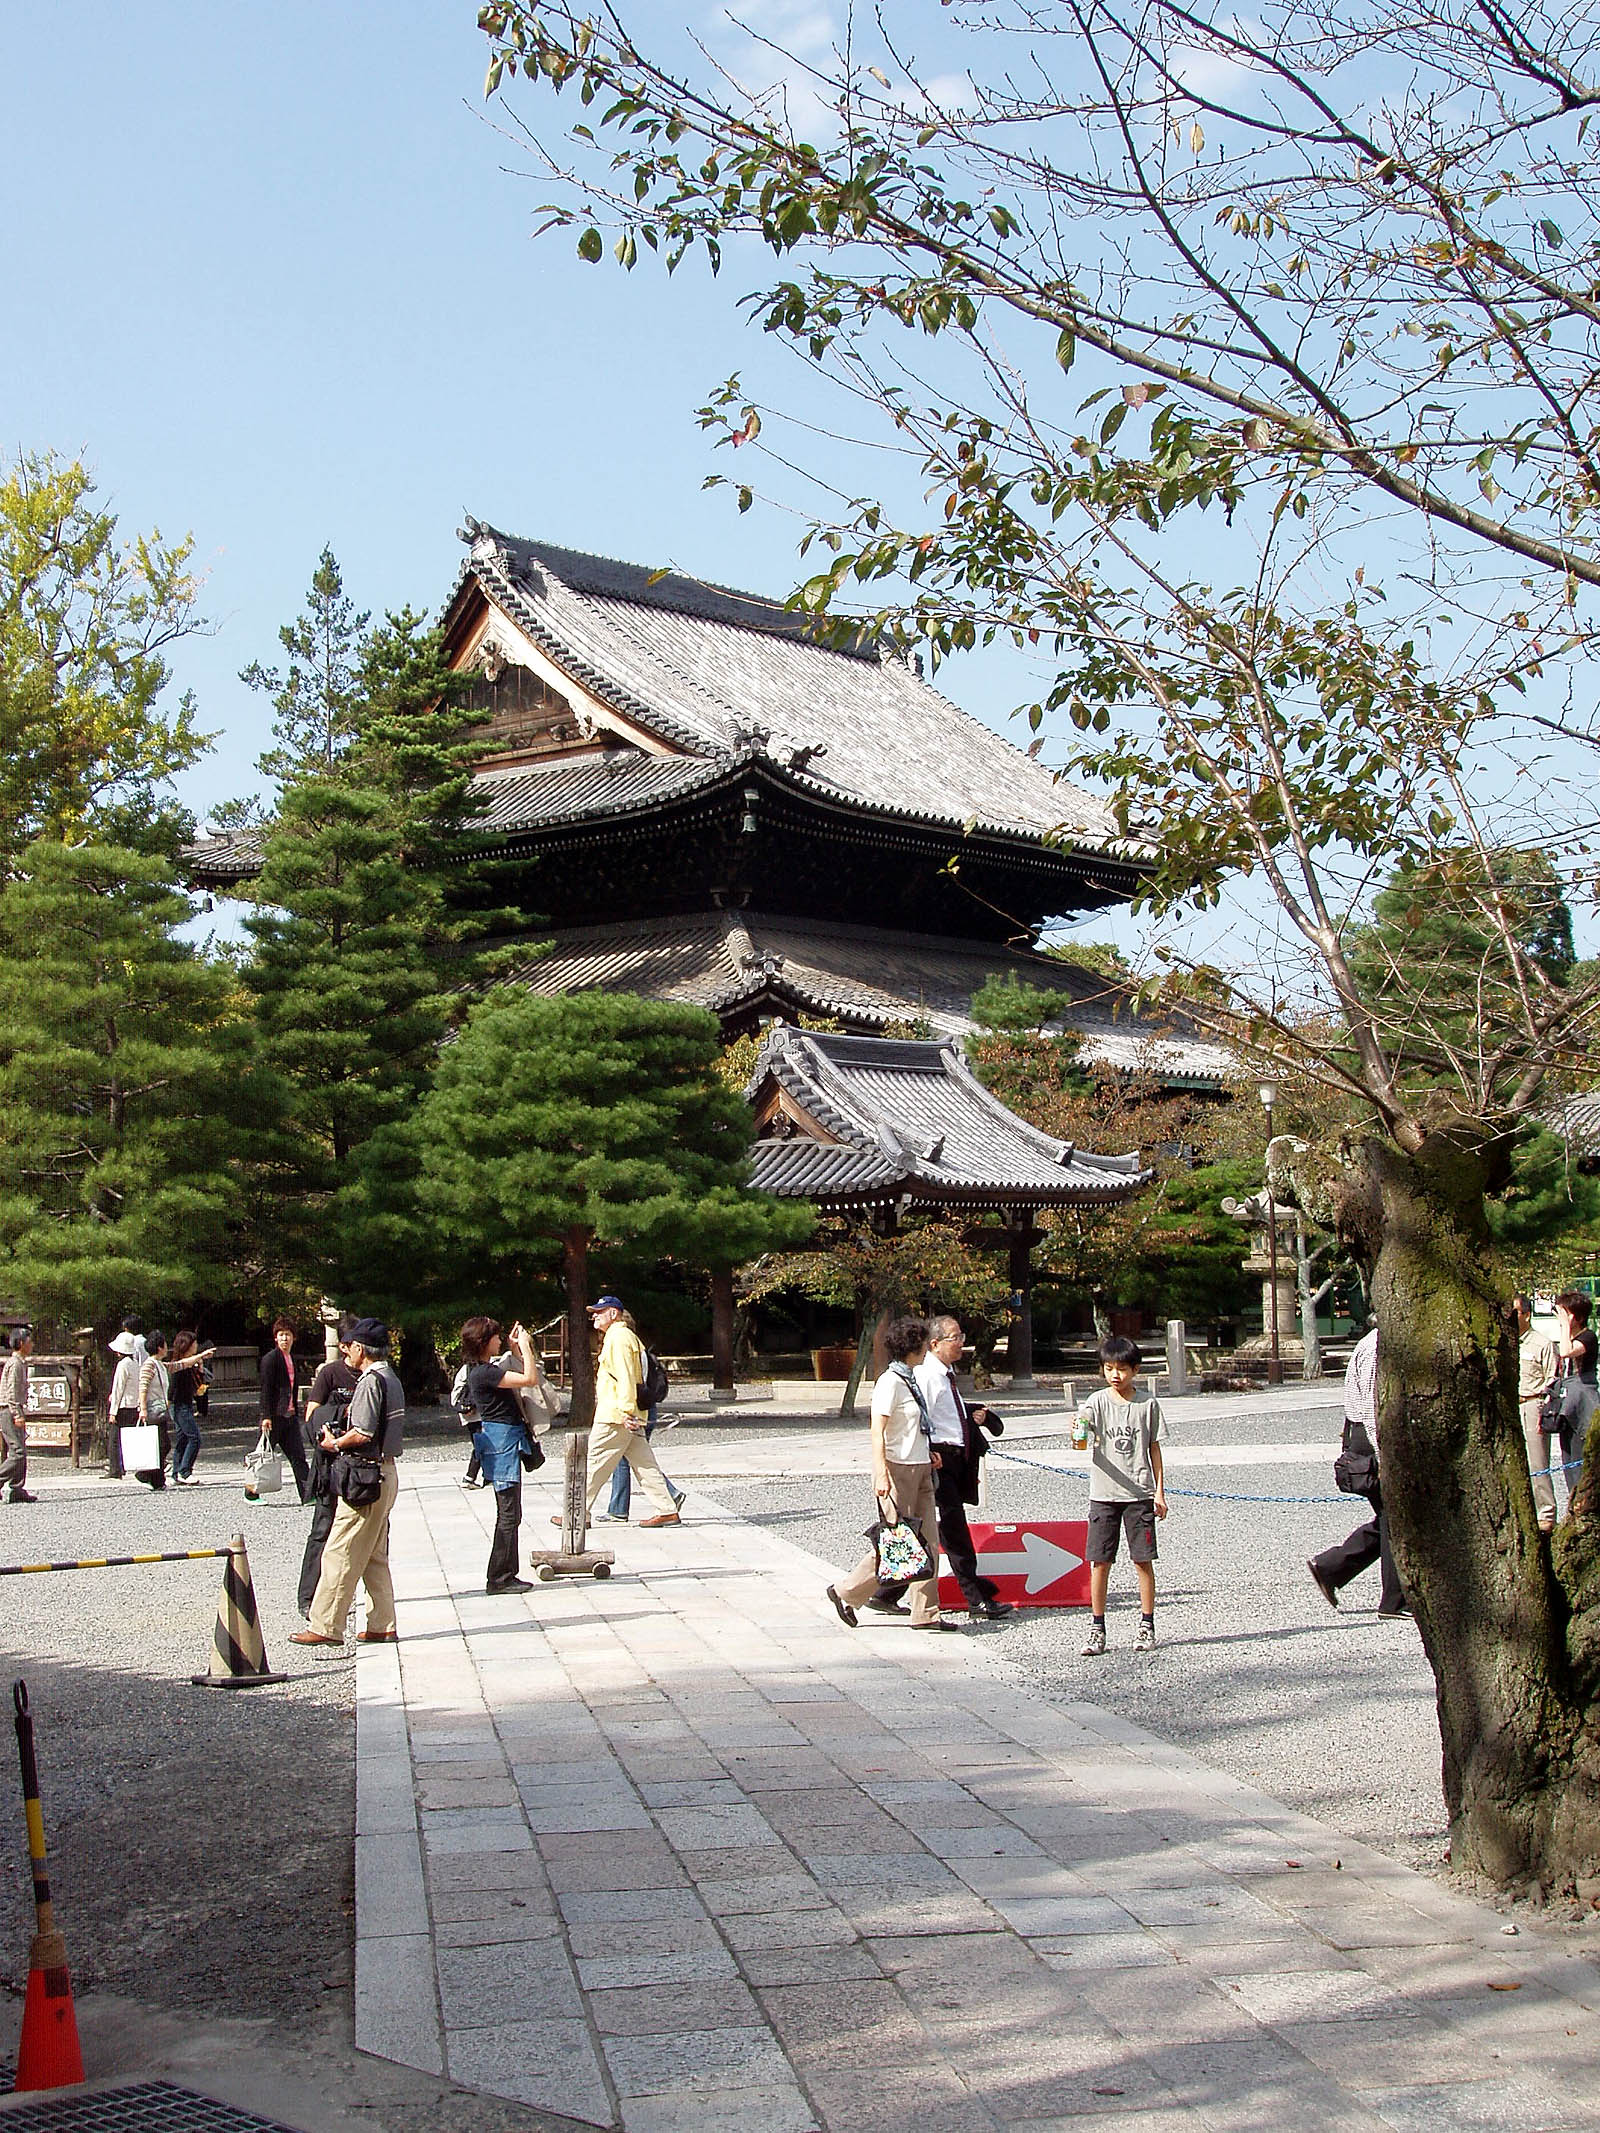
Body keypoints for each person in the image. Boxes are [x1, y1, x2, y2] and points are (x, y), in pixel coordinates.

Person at [872, 1314, 1012, 1620]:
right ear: (934, 1344)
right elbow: (919, 1421)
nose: (960, 1343)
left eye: (961, 1336)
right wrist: (929, 1452)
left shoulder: (945, 1373)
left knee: (928, 1534)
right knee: (949, 1530)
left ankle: (885, 1594)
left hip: (948, 1459)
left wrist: (974, 1416)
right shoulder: (925, 1376)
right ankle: (975, 1598)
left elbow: (943, 1415)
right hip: (934, 1460)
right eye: (954, 1338)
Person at [825, 1315, 955, 1633]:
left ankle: (926, 1612)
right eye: (922, 1344)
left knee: (928, 1541)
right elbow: (877, 1431)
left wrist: (927, 1452)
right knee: (898, 1543)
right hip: (897, 1470)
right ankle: (846, 1591)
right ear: (912, 1347)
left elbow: (914, 1426)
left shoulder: (912, 1379)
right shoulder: (890, 1382)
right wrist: (880, 1472)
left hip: (921, 1467)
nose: (926, 1349)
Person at [292, 1318, 405, 1648]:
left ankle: (326, 1625)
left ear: (360, 1348)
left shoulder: (370, 1381)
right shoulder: (391, 1377)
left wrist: (335, 1443)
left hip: (365, 1475)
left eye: (351, 1347)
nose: (348, 1353)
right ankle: (382, 1623)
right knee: (373, 1555)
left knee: (339, 1551)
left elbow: (363, 1432)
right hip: (385, 1471)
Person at [1075, 1334, 1169, 1654]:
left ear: (1135, 1369)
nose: (1115, 1375)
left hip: (1139, 1493)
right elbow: (1082, 1435)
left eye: (1122, 1369)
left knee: (1143, 1560)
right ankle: (1097, 1626)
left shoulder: (1147, 1404)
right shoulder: (1096, 1401)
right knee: (1100, 1561)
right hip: (1104, 1494)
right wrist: (1079, 1427)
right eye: (1109, 1368)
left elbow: (1154, 1449)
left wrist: (1159, 1492)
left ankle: (1146, 1624)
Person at [1308, 1325, 1408, 1617]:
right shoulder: (1375, 1347)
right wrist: (1382, 1456)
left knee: (1391, 1518)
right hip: (1371, 1440)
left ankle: (1331, 1568)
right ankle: (1394, 1601)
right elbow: (1370, 1408)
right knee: (1395, 1520)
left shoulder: (1379, 1342)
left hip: (1370, 1438)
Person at [556, 1296, 681, 1529]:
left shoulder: (619, 1338)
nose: (594, 1315)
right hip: (625, 1414)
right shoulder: (623, 1336)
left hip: (615, 1416)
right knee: (645, 1465)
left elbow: (625, 1377)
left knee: (594, 1462)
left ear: (613, 1313)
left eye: (599, 1311)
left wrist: (625, 1411)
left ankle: (576, 1513)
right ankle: (667, 1510)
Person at [461, 1316, 547, 1594]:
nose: (499, 1341)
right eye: (496, 1337)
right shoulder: (485, 1373)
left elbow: (521, 1371)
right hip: (501, 1446)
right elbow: (529, 1378)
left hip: (503, 1442)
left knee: (511, 1513)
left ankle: (506, 1573)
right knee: (508, 1514)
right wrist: (527, 1347)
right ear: (484, 1342)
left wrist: (516, 1349)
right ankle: (499, 1577)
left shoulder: (483, 1370)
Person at [298, 1317, 362, 1616]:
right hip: (331, 1461)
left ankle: (349, 1594)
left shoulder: (373, 1375)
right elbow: (311, 1415)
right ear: (345, 1346)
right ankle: (309, 1596)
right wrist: (338, 1415)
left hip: (362, 1465)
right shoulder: (330, 1373)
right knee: (322, 1528)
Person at [603, 1309, 684, 1522]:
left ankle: (618, 1509)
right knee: (637, 1457)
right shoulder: (638, 1348)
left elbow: (628, 1382)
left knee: (624, 1458)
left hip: (636, 1409)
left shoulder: (627, 1347)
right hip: (641, 1407)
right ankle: (667, 1498)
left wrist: (626, 1411)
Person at [1514, 1293, 1559, 1533]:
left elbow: (1552, 1380)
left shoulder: (1542, 1344)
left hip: (1532, 1404)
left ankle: (1546, 1513)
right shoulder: (1505, 1343)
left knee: (1537, 1462)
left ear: (1527, 1315)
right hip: (1511, 1406)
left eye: (1516, 1313)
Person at [1550, 1289, 1598, 1509]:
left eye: (1565, 1313)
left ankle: (1584, 1506)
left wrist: (1564, 1325)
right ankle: (1572, 1503)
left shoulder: (1588, 1337)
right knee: (1567, 1458)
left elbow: (1567, 1352)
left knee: (1581, 1458)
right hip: (1567, 1404)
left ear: (1576, 1317)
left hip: (1583, 1403)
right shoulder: (1566, 1339)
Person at [259, 1316, 311, 1503]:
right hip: (274, 1416)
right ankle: (251, 1491)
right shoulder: (270, 1359)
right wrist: (266, 1415)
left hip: (289, 1415)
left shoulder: (291, 1359)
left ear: (293, 1337)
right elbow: (265, 1389)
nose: (284, 1338)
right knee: (262, 1456)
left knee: (298, 1456)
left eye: (287, 1334)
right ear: (275, 1338)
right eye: (281, 1335)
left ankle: (307, 1495)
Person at [166, 1332, 213, 1487]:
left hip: (185, 1403)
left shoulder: (191, 1364)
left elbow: (200, 1386)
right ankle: (185, 1471)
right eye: (194, 1344)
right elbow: (172, 1387)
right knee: (194, 1437)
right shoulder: (179, 1364)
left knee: (183, 1439)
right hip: (178, 1405)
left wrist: (200, 1367)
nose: (196, 1346)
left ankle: (176, 1473)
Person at [0, 1325, 38, 1503]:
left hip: (14, 1409)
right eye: (30, 1341)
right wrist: (17, 1414)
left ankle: (17, 1488)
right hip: (9, 1410)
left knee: (21, 1449)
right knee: (18, 1452)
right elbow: (12, 1392)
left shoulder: (21, 1362)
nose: (32, 1345)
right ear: (21, 1343)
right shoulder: (15, 1364)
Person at [107, 1319, 146, 1478]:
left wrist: (113, 1411)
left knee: (114, 1440)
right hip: (133, 1405)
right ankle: (127, 1465)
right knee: (129, 1439)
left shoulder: (122, 1365)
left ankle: (115, 1469)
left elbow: (118, 1389)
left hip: (123, 1406)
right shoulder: (135, 1364)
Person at [134, 1330, 173, 1491]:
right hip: (151, 1410)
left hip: (160, 1411)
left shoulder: (160, 1365)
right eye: (165, 1345)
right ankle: (145, 1474)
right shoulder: (149, 1365)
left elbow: (179, 1365)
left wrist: (199, 1357)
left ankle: (157, 1479)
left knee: (161, 1444)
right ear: (159, 1347)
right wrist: (143, 1409)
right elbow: (143, 1387)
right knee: (161, 1445)